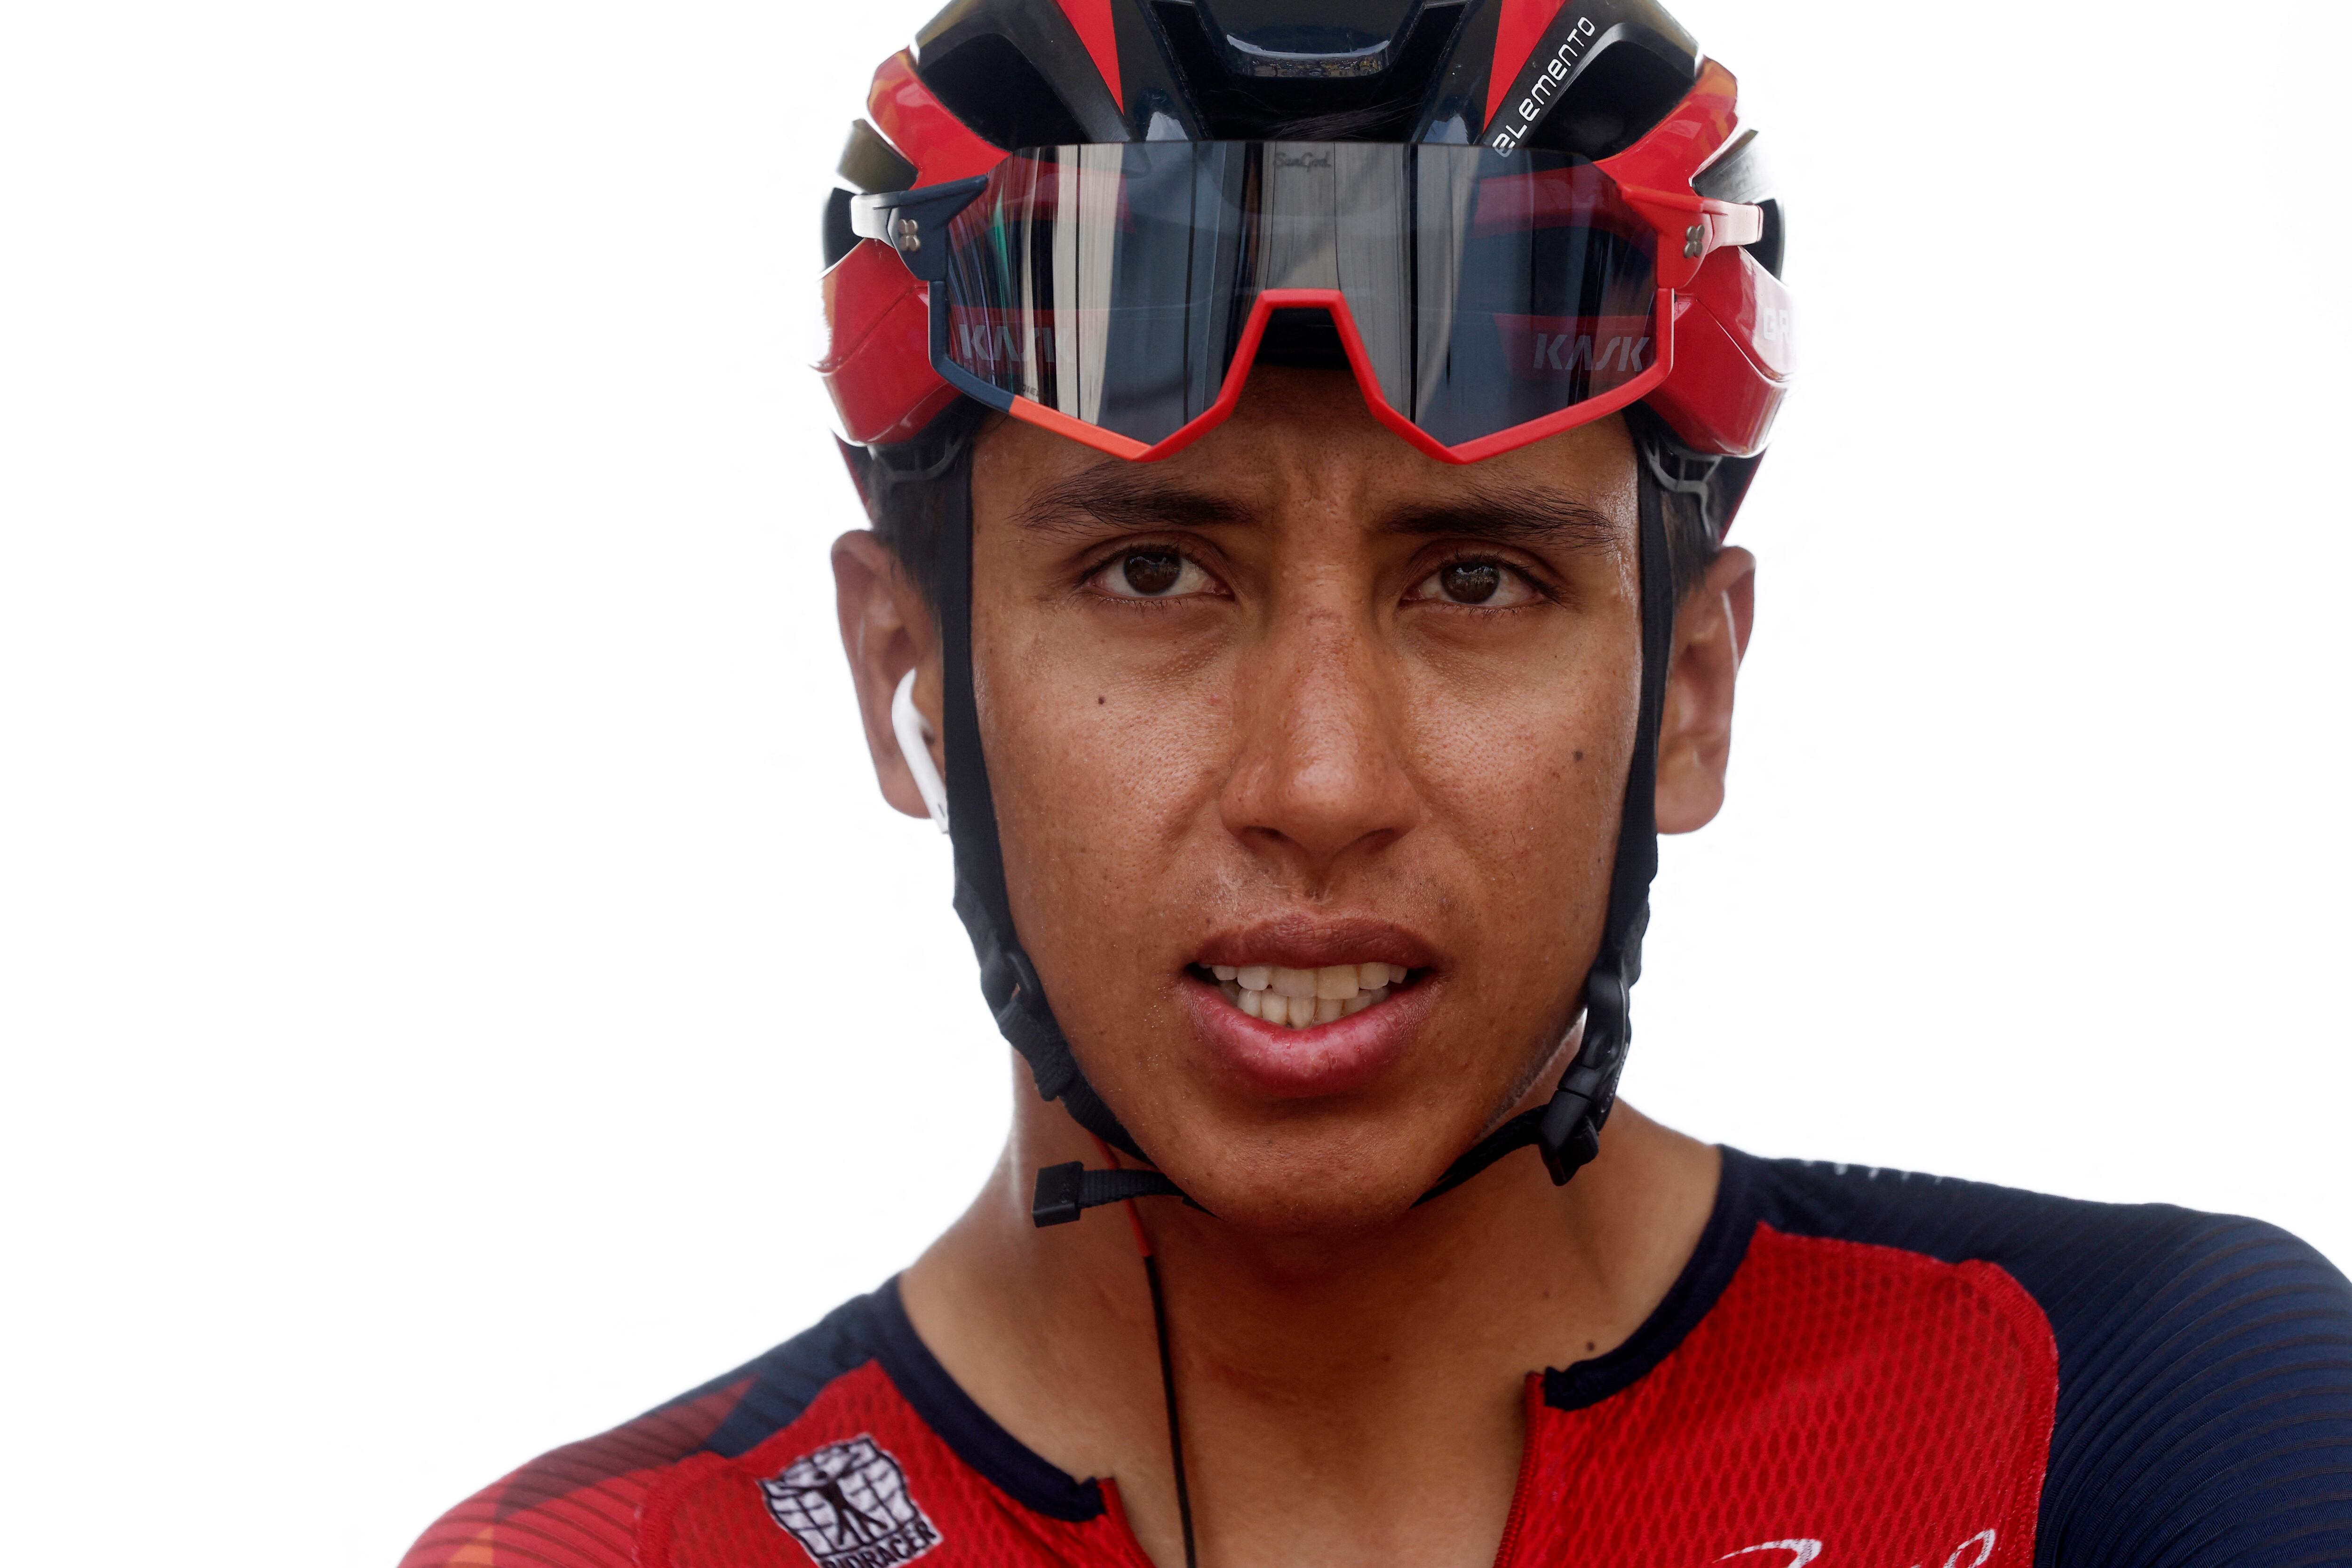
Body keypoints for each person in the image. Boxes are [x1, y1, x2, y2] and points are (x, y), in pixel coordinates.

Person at [402, 2, 2352, 1565]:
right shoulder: (613, 1556)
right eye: (1151, 569)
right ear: (900, 670)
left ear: (1689, 690)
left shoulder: (2136, 1416)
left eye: (1476, 575)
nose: (1318, 784)